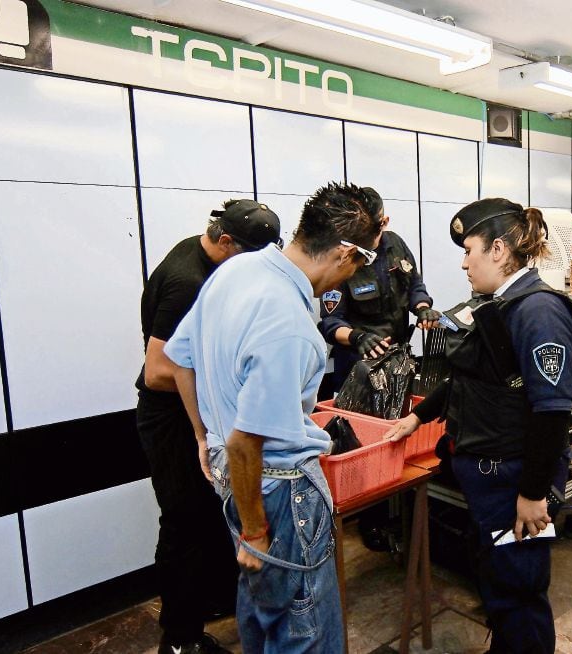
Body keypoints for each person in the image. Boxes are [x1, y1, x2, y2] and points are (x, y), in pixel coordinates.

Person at [164, 182, 380, 654]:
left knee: (262, 609)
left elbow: (178, 360)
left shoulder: (237, 269)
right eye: (360, 264)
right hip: (279, 491)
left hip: (233, 477)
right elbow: (247, 443)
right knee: (305, 629)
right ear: (346, 254)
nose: (350, 279)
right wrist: (256, 530)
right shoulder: (291, 327)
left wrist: (203, 437)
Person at [384, 198, 572, 654]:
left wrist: (534, 494)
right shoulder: (496, 304)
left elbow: (551, 412)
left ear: (497, 250)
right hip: (489, 477)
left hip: (515, 478)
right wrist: (417, 416)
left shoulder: (539, 312)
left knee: (520, 589)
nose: (463, 262)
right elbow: (470, 379)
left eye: (469, 249)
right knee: (498, 581)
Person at [136, 199, 282, 654]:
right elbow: (158, 369)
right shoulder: (188, 281)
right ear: (224, 241)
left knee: (210, 520)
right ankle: (179, 640)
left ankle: (208, 604)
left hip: (198, 413)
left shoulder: (209, 260)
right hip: (173, 420)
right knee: (185, 525)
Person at [318, 187, 440, 397]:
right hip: (356, 369)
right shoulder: (343, 257)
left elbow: (414, 284)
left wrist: (422, 308)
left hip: (397, 363)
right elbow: (330, 321)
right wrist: (357, 337)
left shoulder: (396, 244)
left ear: (384, 222)